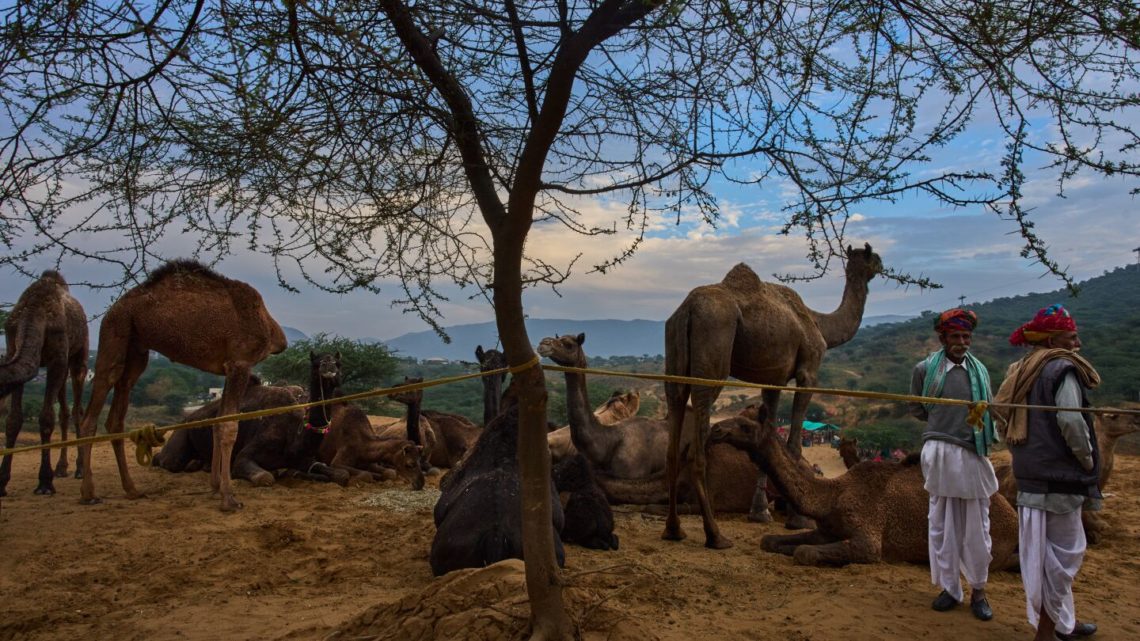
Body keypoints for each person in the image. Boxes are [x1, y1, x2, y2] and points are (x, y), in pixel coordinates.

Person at [993, 304, 1101, 641]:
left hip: (1028, 474)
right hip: (1058, 477)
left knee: (1042, 556)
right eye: (1071, 336)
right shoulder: (1061, 369)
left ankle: (1064, 622)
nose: (1077, 342)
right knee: (1063, 558)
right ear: (1054, 338)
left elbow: (1001, 418)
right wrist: (1087, 460)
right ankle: (1047, 631)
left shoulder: (1022, 369)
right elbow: (1070, 420)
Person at [909, 308, 997, 622]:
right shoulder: (924, 369)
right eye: (956, 336)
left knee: (977, 528)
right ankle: (949, 589)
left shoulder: (981, 372)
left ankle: (979, 591)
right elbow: (918, 409)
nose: (962, 342)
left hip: (973, 453)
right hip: (938, 451)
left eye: (966, 336)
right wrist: (943, 427)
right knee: (941, 525)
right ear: (943, 338)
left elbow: (986, 411)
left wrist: (966, 428)